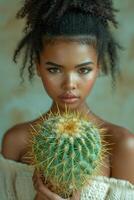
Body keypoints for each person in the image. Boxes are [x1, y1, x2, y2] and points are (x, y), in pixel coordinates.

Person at [1, 0, 134, 199]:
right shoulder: (16, 140)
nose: (70, 84)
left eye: (84, 70)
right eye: (54, 69)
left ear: (99, 67)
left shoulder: (122, 145)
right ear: (38, 66)